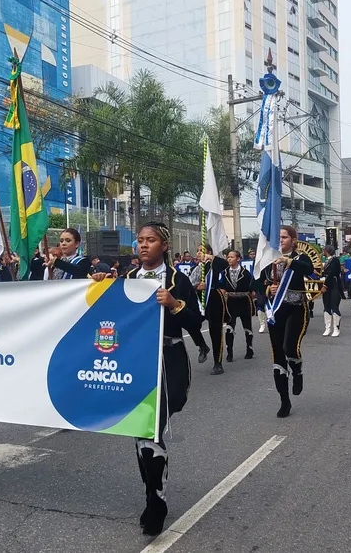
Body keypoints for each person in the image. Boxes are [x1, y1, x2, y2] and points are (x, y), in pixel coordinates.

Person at [101, 221, 199, 536]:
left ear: (164, 246)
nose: (144, 245)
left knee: (150, 429)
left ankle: (157, 501)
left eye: (151, 240)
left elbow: (196, 321)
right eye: (140, 240)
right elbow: (108, 316)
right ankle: (153, 497)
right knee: (142, 432)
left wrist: (174, 304)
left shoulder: (177, 280)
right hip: (134, 363)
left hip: (169, 362)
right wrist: (99, 286)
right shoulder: (127, 279)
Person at [262, 226, 314, 418]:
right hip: (275, 312)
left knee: (289, 347)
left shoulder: (300, 259)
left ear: (293, 240)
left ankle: (297, 371)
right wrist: (268, 290)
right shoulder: (268, 260)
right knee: (278, 356)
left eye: (284, 237)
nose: (281, 240)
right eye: (279, 237)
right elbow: (257, 284)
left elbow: (309, 271)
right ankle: (284, 401)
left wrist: (289, 261)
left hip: (296, 309)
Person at [190, 245, 228, 374]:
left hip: (214, 299)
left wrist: (211, 258)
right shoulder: (196, 269)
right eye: (198, 251)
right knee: (191, 323)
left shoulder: (215, 265)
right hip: (200, 302)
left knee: (215, 330)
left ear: (209, 253)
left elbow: (225, 265)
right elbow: (189, 285)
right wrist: (197, 287)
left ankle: (218, 362)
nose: (199, 253)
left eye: (202, 251)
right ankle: (202, 346)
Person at [221, 250, 254, 361]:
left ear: (238, 259)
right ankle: (229, 353)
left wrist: (252, 293)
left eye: (232, 257)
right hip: (231, 302)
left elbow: (252, 288)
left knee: (247, 327)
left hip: (244, 301)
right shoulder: (224, 272)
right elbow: (222, 287)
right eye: (228, 257)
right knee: (229, 328)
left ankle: (249, 349)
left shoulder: (246, 273)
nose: (229, 259)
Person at [319, 245, 342, 336]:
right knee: (326, 306)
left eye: (323, 250)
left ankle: (336, 329)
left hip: (334, 285)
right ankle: (327, 328)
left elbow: (332, 273)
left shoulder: (335, 260)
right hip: (327, 285)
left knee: (334, 306)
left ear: (327, 251)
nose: (322, 252)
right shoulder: (326, 260)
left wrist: (325, 285)